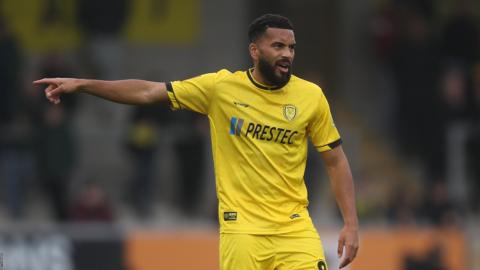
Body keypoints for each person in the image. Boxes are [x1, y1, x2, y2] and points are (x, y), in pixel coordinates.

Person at [34, 14, 359, 270]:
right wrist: (83, 83)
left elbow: (336, 160)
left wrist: (351, 222)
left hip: (295, 229)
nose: (287, 54)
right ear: (255, 50)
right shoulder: (220, 89)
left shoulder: (310, 97)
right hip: (242, 232)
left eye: (291, 47)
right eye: (278, 46)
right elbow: (148, 92)